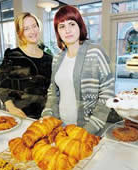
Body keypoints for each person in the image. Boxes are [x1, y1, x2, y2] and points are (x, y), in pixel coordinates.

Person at [41, 5, 115, 135]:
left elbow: (107, 92)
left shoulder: (95, 52)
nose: (67, 30)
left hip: (88, 129)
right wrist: (48, 113)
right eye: (62, 26)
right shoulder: (57, 58)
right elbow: (53, 90)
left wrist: (90, 128)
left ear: (80, 26)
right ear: (58, 32)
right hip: (60, 128)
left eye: (71, 24)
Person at [0, 12, 52, 119]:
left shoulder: (49, 58)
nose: (32, 31)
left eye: (34, 26)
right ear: (20, 33)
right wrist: (12, 108)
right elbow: (2, 86)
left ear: (38, 27)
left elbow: (52, 90)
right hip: (21, 115)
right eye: (26, 28)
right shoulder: (13, 55)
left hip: (46, 115)